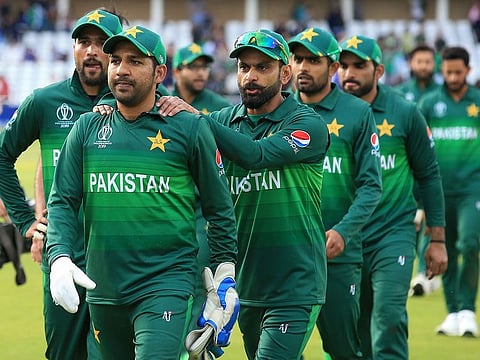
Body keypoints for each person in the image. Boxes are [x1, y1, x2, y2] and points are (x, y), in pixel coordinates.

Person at [45, 25, 238, 360]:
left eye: (135, 61)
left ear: (159, 72)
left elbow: (219, 208)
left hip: (165, 286)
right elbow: (62, 201)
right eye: (116, 60)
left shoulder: (189, 128)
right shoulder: (87, 127)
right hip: (102, 288)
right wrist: (59, 255)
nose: (121, 69)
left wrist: (225, 276)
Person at [155, 28, 331, 360]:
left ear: (285, 73)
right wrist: (109, 107)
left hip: (295, 282)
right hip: (244, 286)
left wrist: (199, 122)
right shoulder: (223, 121)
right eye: (243, 67)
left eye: (262, 67)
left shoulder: (307, 124)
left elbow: (255, 155)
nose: (250, 76)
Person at [0, 8, 125, 359]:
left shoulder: (132, 104)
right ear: (73, 47)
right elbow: (5, 157)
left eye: (102, 44)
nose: (91, 51)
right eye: (84, 41)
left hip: (120, 257)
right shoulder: (45, 101)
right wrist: (29, 222)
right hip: (62, 254)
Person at [337, 35, 448, 359]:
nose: (349, 73)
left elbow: (428, 174)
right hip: (346, 237)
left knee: (387, 318)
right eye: (343, 66)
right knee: (355, 326)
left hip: (393, 233)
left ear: (380, 70)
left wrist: (437, 239)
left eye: (359, 66)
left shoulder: (405, 112)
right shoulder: (325, 115)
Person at [288, 27, 382, 360]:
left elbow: (372, 186)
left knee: (343, 350)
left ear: (332, 68)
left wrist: (344, 231)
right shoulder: (278, 111)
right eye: (297, 58)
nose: (302, 67)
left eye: (313, 60)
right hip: (286, 256)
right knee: (277, 352)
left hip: (337, 258)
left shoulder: (358, 113)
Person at [417, 46, 480, 338]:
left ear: (468, 71)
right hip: (439, 192)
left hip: (472, 191)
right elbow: (417, 153)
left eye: (459, 72)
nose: (453, 77)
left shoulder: (477, 102)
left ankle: (468, 310)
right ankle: (453, 312)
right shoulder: (429, 104)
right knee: (444, 249)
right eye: (448, 71)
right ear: (442, 70)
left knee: (469, 244)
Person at [395, 43, 443, 297]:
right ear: (411, 64)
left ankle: (425, 273)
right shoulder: (400, 93)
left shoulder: (441, 93)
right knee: (411, 220)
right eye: (419, 61)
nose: (424, 66)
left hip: (434, 168)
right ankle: (410, 269)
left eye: (428, 61)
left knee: (428, 219)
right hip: (406, 169)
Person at [172, 42, 231, 114]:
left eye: (205, 67)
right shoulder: (164, 102)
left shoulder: (221, 107)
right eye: (193, 67)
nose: (201, 73)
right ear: (177, 72)